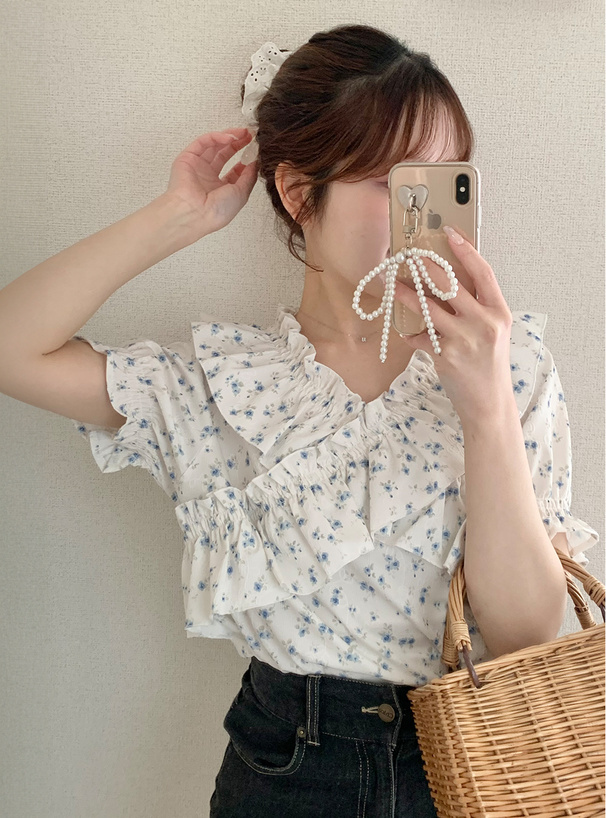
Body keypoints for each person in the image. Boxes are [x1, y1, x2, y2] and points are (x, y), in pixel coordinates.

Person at [0, 23, 599, 818]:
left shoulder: (509, 362)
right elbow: (12, 348)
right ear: (296, 192)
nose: (425, 211)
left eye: (443, 178)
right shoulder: (220, 385)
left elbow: (527, 633)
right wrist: (178, 216)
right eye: (390, 180)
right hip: (285, 771)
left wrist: (484, 402)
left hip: (474, 768)